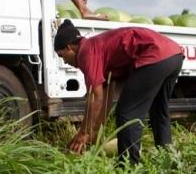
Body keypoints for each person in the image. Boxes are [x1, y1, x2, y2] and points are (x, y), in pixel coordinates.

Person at [54, 20, 184, 165]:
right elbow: (106, 94)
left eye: (62, 56)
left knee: (127, 113)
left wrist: (83, 133)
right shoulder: (96, 47)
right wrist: (95, 130)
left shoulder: (86, 52)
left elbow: (95, 97)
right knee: (158, 110)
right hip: (174, 55)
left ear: (69, 47)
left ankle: (128, 165)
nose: (65, 62)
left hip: (155, 55)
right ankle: (168, 159)